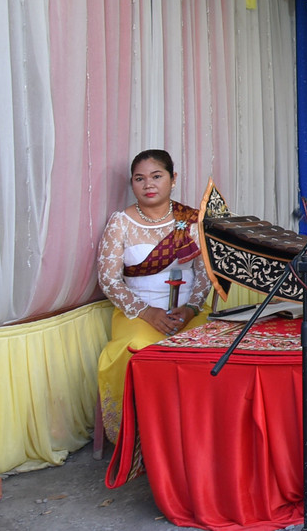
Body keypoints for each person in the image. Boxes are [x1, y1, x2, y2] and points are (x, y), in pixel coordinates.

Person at [96, 149, 211, 445]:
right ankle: (144, 438)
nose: (148, 184)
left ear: (173, 179)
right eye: (140, 178)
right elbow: (109, 279)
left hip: (188, 312)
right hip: (136, 314)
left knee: (209, 353)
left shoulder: (191, 220)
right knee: (139, 353)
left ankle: (199, 432)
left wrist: (190, 309)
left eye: (156, 176)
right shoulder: (120, 222)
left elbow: (206, 274)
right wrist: (148, 313)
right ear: (132, 184)